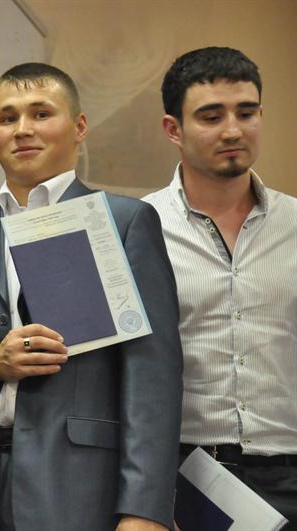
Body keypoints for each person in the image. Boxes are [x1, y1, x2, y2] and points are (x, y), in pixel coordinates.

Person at [0, 63, 183, 531]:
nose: (23, 129)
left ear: (79, 126)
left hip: (80, 485)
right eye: (7, 118)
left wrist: (145, 509)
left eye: (41, 113)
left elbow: (153, 376)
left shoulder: (124, 221)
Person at [144, 47, 297, 526]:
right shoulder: (138, 228)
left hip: (289, 470)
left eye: (246, 113)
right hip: (184, 476)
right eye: (211, 117)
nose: (233, 130)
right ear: (173, 129)